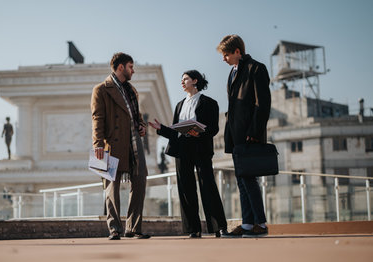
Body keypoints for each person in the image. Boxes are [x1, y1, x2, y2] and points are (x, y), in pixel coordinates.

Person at [149, 70, 228, 238]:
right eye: (181, 79)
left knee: (208, 186)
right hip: (182, 149)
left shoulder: (209, 102)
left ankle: (218, 226)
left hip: (200, 148)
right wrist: (161, 129)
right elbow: (176, 131)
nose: (182, 82)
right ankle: (193, 228)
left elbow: (213, 128)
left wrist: (198, 133)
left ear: (195, 80)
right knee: (186, 189)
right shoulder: (179, 105)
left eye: (185, 79)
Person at [91, 52, 150, 240]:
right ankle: (114, 228)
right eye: (131, 67)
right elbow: (97, 118)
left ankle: (133, 227)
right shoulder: (101, 89)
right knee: (111, 185)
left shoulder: (132, 90)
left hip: (133, 141)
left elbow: (136, 116)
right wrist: (97, 143)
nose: (133, 70)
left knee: (140, 179)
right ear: (120, 67)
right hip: (111, 142)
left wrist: (142, 126)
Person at [217, 34, 271, 238]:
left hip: (250, 135)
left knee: (249, 179)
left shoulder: (256, 68)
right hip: (235, 135)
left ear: (237, 51)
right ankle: (248, 224)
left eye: (226, 54)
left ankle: (260, 224)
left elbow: (262, 104)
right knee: (241, 179)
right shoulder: (232, 73)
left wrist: (254, 132)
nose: (224, 59)